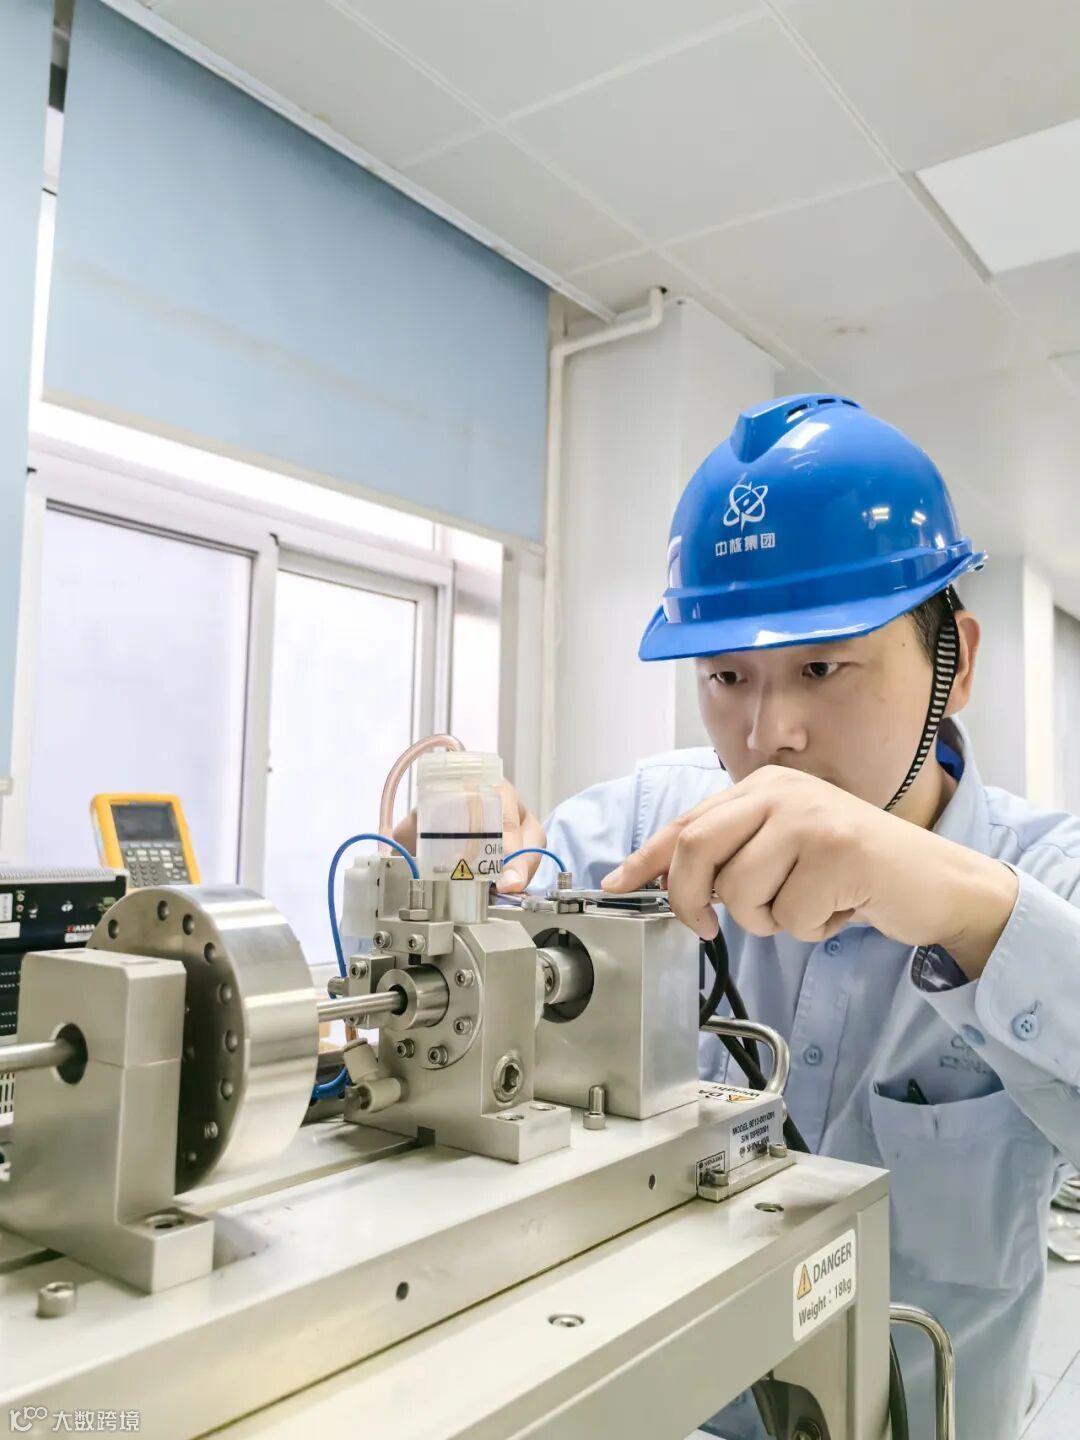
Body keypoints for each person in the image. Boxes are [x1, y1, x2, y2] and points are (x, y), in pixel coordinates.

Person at [399, 393, 1078, 1438]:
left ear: (957, 664)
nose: (769, 734)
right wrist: (459, 901)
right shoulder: (643, 828)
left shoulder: (1044, 875)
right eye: (726, 676)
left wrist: (963, 908)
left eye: (822, 667)